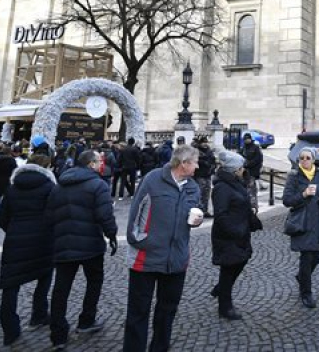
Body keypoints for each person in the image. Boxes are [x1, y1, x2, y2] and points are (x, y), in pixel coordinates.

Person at [123, 145, 202, 352]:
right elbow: (136, 212)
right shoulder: (153, 179)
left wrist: (197, 221)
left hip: (176, 259)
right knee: (138, 311)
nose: (198, 166)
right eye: (195, 162)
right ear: (183, 164)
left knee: (167, 311)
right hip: (145, 257)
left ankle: (159, 348)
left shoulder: (193, 187)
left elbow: (192, 215)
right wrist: (139, 240)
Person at [46, 150, 118, 350]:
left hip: (63, 244)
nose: (101, 164)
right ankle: (86, 320)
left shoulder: (59, 184)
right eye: (98, 161)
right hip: (90, 245)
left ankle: (58, 334)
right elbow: (105, 215)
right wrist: (112, 235)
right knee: (94, 283)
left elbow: (49, 215)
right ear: (91, 164)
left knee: (61, 289)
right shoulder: (98, 185)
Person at [0, 154, 55, 346]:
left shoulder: (12, 189)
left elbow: (3, 217)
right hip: (43, 239)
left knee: (10, 284)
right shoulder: (49, 187)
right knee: (45, 275)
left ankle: (10, 329)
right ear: (46, 167)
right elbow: (53, 214)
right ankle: (39, 313)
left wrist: (14, 230)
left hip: (15, 240)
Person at [210, 150, 257, 320]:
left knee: (241, 260)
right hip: (229, 235)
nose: (243, 169)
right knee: (228, 269)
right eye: (241, 167)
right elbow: (220, 216)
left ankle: (220, 288)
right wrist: (235, 231)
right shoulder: (222, 187)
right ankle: (225, 306)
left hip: (240, 232)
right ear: (235, 169)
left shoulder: (236, 182)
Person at [282, 147, 319, 309]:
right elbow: (287, 200)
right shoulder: (294, 176)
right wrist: (303, 195)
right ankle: (306, 293)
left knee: (318, 255)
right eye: (301, 158)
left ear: (313, 159)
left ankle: (302, 276)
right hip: (303, 222)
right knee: (307, 258)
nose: (304, 160)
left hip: (318, 222)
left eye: (308, 158)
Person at [194, 137, 216, 216]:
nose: (205, 144)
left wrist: (213, 167)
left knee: (206, 193)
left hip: (207, 174)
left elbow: (213, 160)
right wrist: (203, 162)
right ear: (200, 143)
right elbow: (195, 160)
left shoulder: (209, 151)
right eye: (203, 142)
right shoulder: (197, 151)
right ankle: (199, 210)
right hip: (200, 174)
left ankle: (205, 210)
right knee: (200, 192)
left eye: (206, 142)